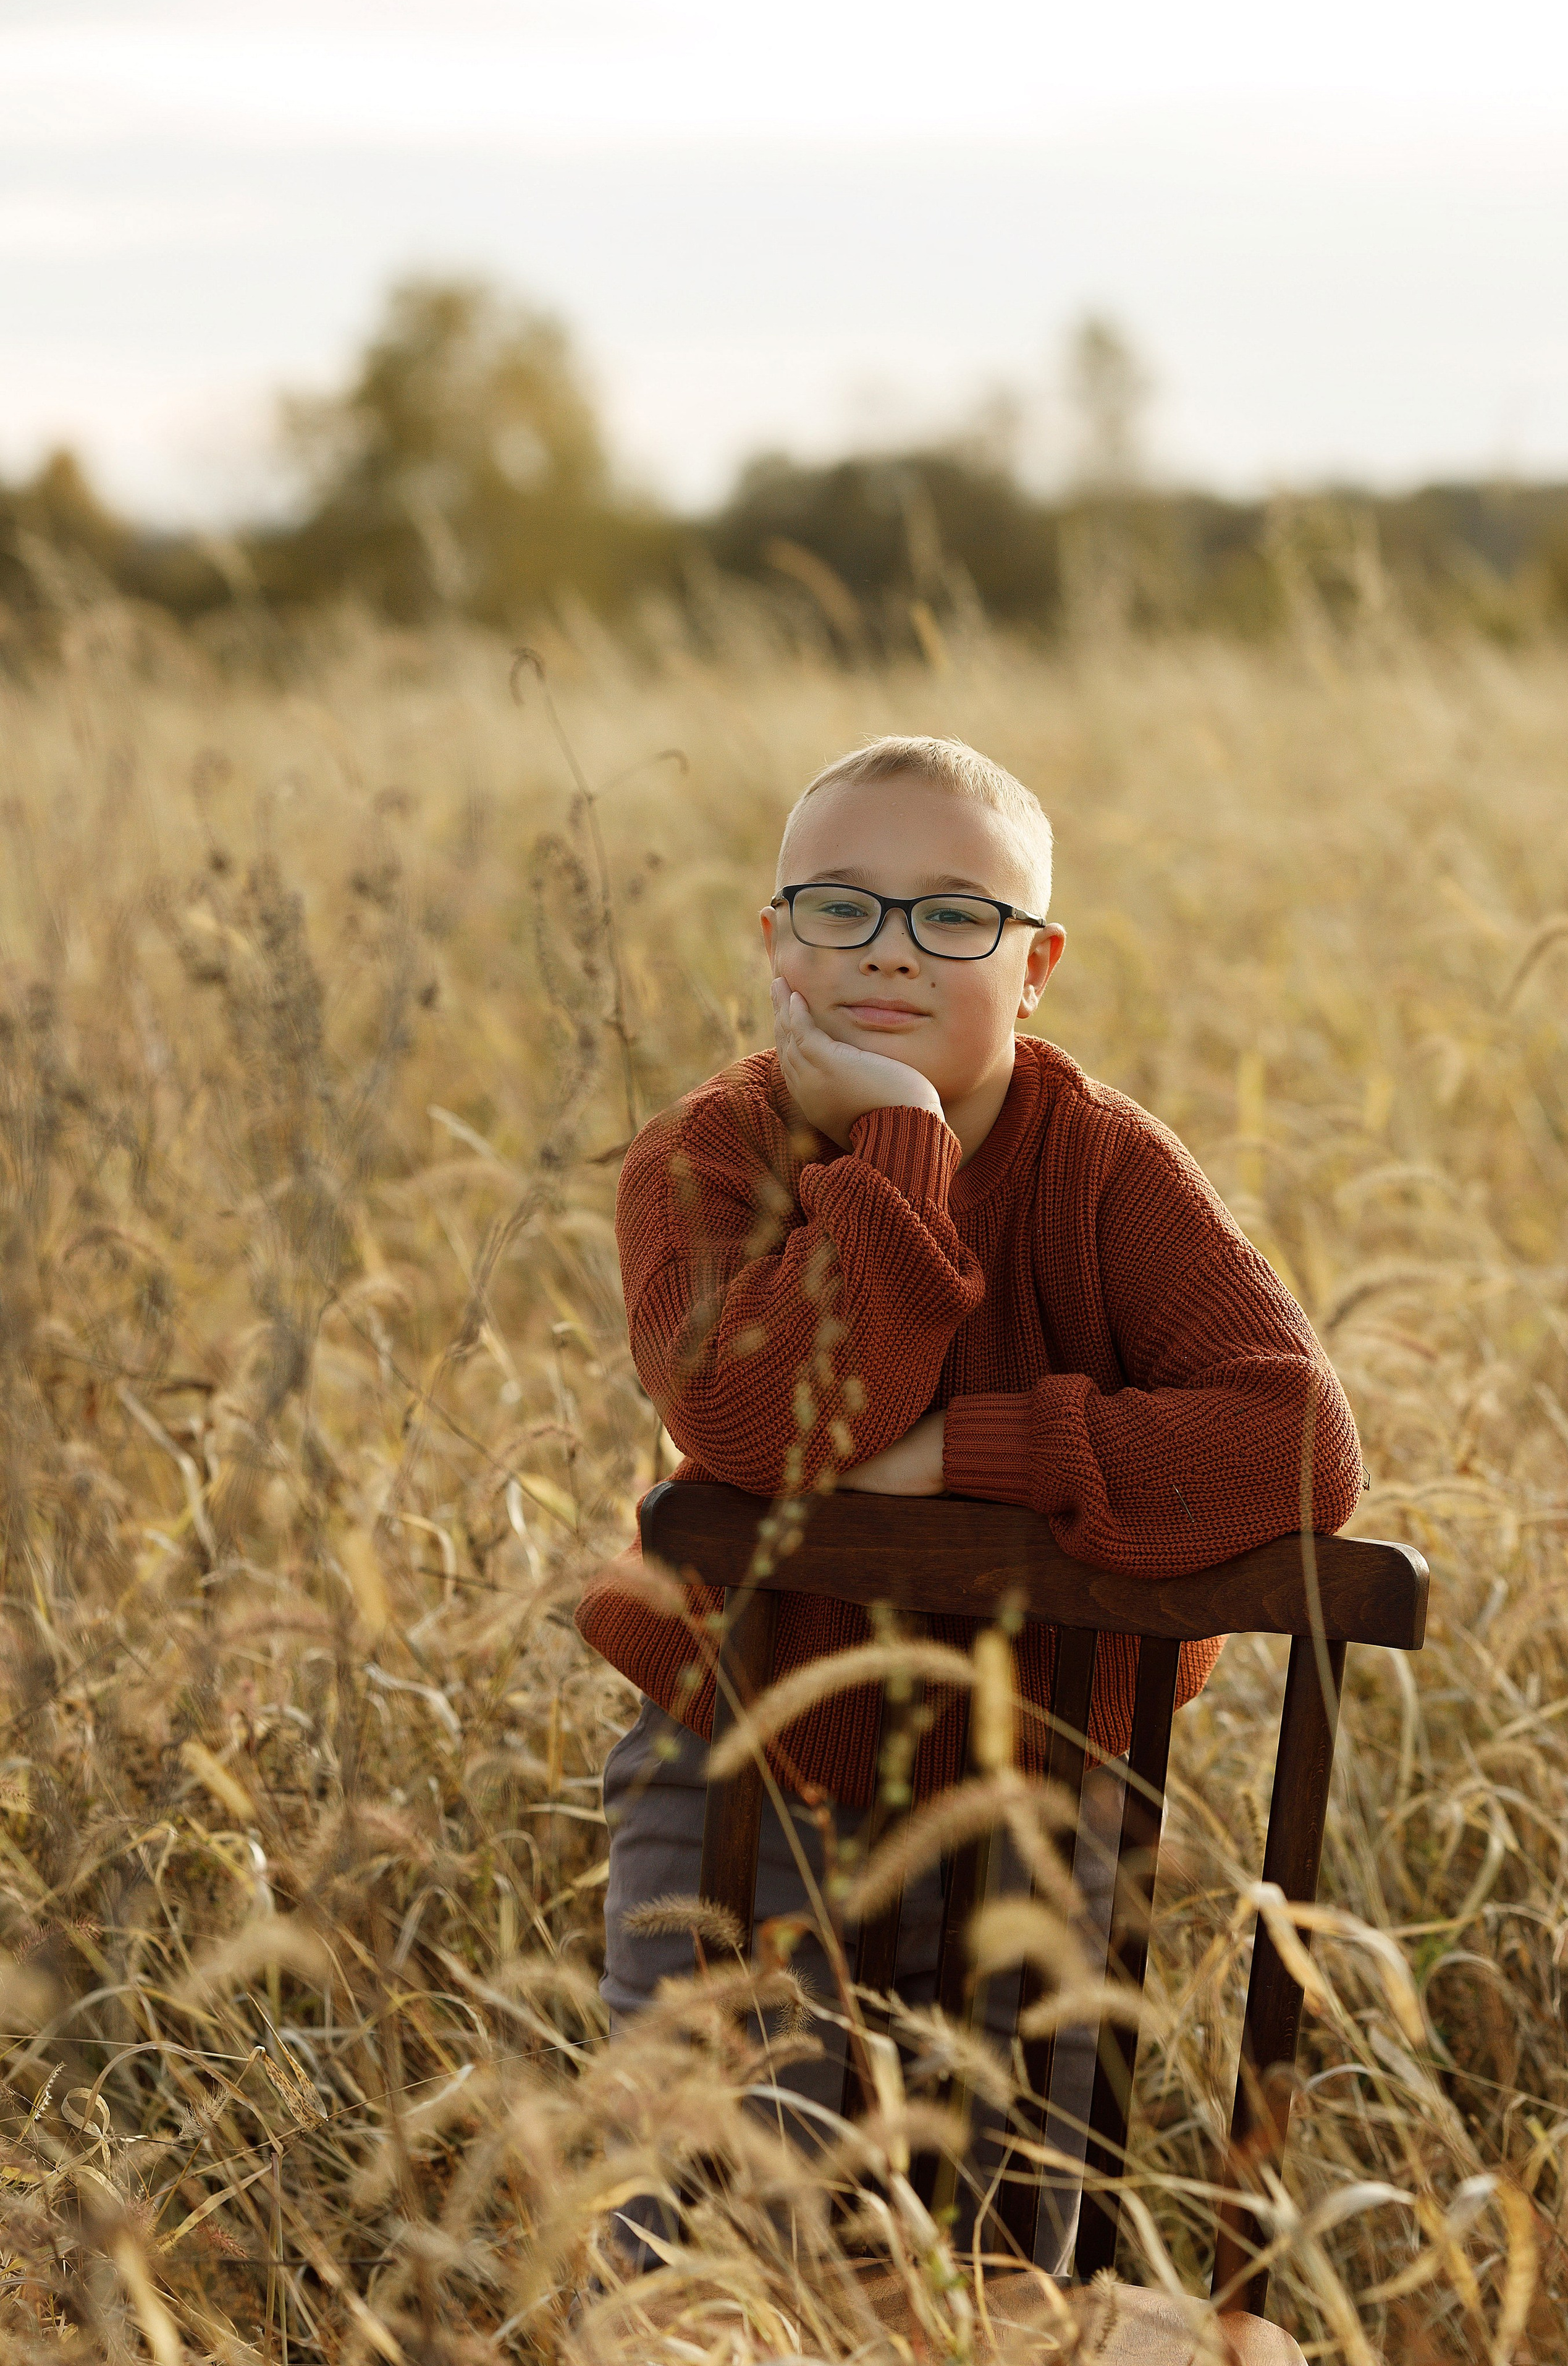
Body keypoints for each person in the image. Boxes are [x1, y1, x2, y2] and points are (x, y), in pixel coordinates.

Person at [576, 734, 1362, 2267]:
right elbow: (760, 1420)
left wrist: (959, 1457)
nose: (890, 951)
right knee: (717, 2212)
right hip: (746, 1750)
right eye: (842, 910)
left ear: (1037, 964)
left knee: (1013, 2235)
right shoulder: (713, 1151)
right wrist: (901, 1145)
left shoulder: (1107, 1173)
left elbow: (1296, 1444)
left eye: (953, 915)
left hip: (1044, 1771)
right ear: (775, 943)